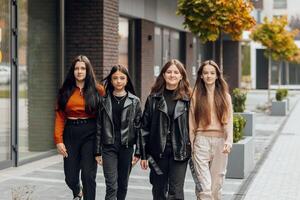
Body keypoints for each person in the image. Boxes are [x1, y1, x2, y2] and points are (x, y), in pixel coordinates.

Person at [54, 55, 105, 200]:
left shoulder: (98, 90)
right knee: (70, 177)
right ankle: (77, 191)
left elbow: (104, 116)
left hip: (90, 133)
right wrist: (58, 140)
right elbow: (59, 116)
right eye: (76, 68)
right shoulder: (65, 90)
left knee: (88, 176)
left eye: (83, 68)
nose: (80, 71)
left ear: (88, 71)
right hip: (70, 132)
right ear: (72, 71)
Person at [140, 59, 191, 200]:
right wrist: (143, 154)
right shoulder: (153, 99)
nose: (172, 75)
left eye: (176, 72)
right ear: (163, 75)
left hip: (180, 152)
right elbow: (144, 128)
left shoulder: (188, 99)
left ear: (181, 76)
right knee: (159, 190)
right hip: (157, 153)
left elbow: (193, 127)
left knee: (175, 192)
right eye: (169, 72)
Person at [94, 65, 142, 200]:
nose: (118, 81)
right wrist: (97, 151)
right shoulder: (103, 101)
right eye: (115, 78)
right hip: (108, 146)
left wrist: (138, 152)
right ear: (111, 80)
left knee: (123, 185)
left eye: (122, 78)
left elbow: (139, 128)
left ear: (127, 80)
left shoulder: (134, 101)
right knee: (111, 185)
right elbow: (99, 126)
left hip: (126, 147)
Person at [189, 60, 233, 200]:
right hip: (201, 141)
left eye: (212, 73)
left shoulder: (225, 97)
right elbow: (191, 123)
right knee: (205, 187)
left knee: (216, 187)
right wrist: (191, 145)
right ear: (201, 76)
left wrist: (228, 140)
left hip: (220, 143)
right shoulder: (195, 96)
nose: (209, 76)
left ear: (217, 76)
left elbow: (228, 121)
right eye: (205, 73)